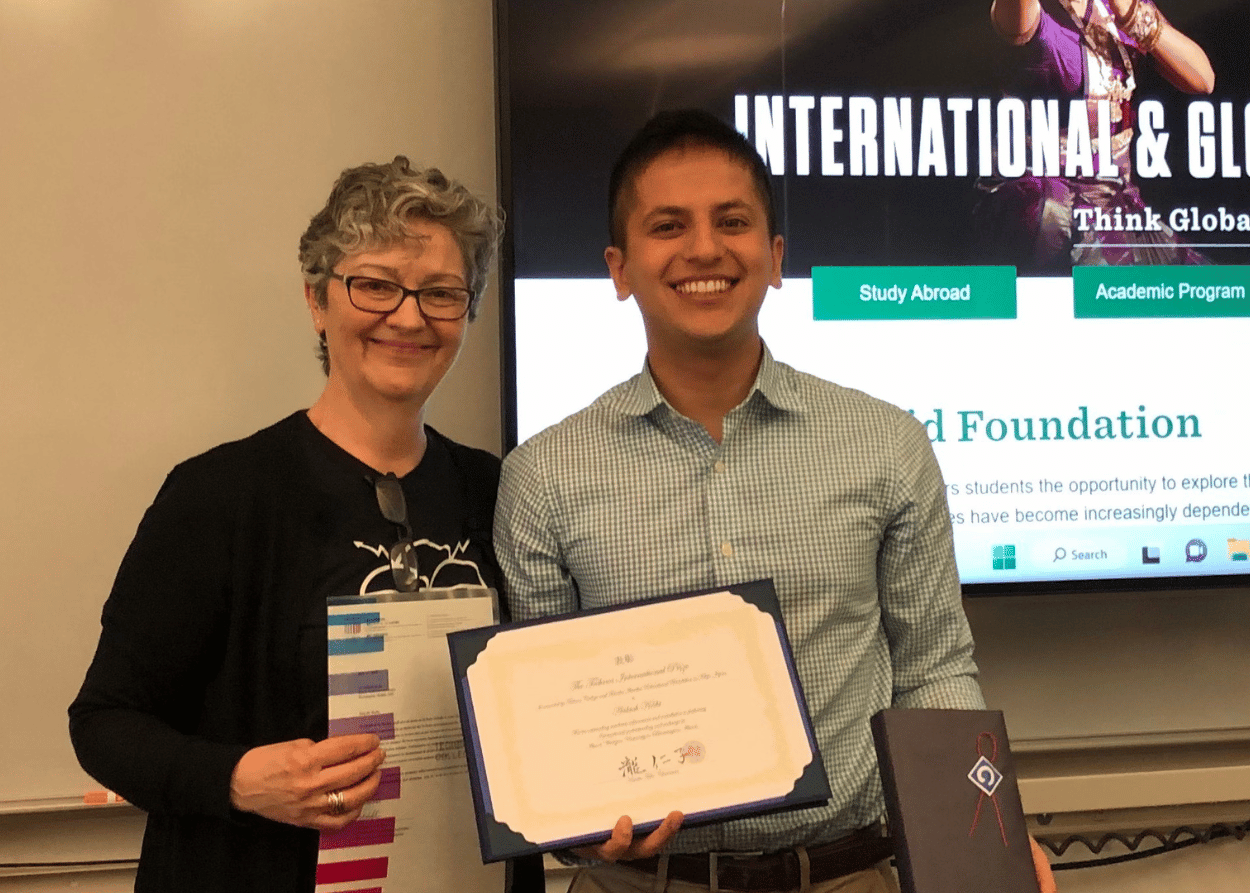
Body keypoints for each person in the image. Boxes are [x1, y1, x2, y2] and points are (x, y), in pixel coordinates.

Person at [493, 110, 1058, 893]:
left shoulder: (885, 444)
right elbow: (546, 727)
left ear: (776, 257)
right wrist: (581, 826)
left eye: (733, 221)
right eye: (668, 225)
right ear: (618, 271)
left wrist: (982, 831)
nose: (704, 249)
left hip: (852, 874)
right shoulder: (543, 477)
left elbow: (934, 670)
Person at [69, 157, 542, 892]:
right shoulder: (218, 495)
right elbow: (104, 722)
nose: (409, 316)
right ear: (318, 301)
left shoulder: (497, 488)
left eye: (442, 294)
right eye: (376, 284)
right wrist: (236, 777)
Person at [976, 0, 1214, 272]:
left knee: (1202, 288)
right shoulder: (1032, 9)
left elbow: (1203, 79)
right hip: (1041, 194)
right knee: (1103, 282)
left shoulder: (1112, 6)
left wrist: (1130, 13)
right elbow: (1015, 27)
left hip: (1115, 194)